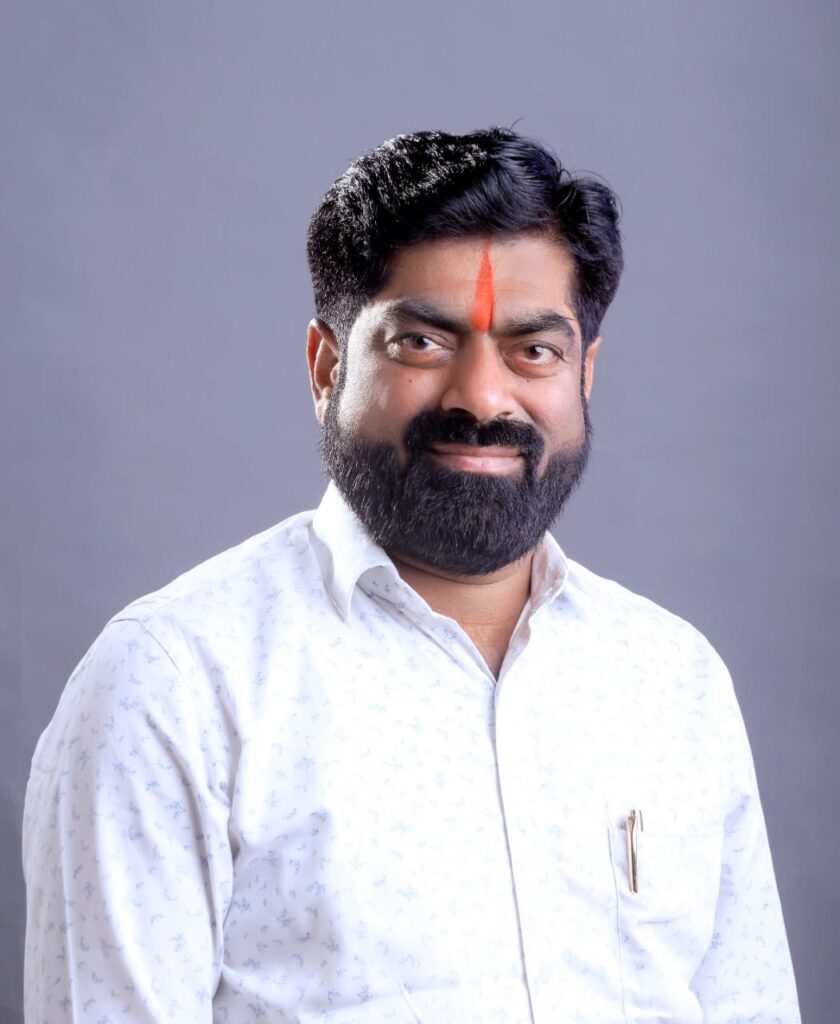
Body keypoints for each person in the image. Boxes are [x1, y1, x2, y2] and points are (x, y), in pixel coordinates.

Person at [23, 127, 800, 1023]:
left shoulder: (674, 682)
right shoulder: (174, 686)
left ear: (583, 374)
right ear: (327, 367)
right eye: (423, 343)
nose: (482, 396)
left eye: (533, 351)